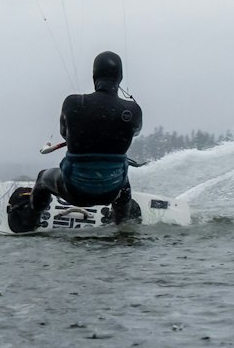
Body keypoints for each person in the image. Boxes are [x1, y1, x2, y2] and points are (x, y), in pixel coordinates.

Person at [8, 50, 143, 232]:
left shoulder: (72, 104)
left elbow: (65, 134)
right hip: (111, 191)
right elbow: (135, 132)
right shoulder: (133, 110)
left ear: (94, 76)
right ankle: (122, 225)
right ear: (120, 78)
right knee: (124, 183)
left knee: (42, 178)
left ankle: (28, 221)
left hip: (74, 190)